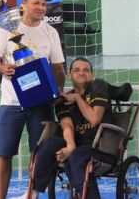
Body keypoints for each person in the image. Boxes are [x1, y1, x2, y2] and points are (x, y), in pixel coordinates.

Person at [0, 0, 66, 199]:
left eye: (44, 4)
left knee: (38, 154)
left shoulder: (51, 32)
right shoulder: (6, 28)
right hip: (11, 103)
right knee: (4, 154)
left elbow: (58, 68)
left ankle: (31, 195)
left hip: (41, 103)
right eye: (36, 3)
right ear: (24, 4)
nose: (41, 8)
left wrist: (57, 90)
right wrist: (3, 68)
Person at [29, 57, 110, 199]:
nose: (81, 73)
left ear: (92, 74)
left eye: (86, 70)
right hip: (78, 144)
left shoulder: (98, 85)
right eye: (76, 70)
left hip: (100, 145)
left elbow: (94, 119)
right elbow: (67, 125)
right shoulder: (62, 100)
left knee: (75, 156)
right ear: (69, 75)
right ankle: (33, 193)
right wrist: (70, 145)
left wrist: (78, 98)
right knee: (48, 145)